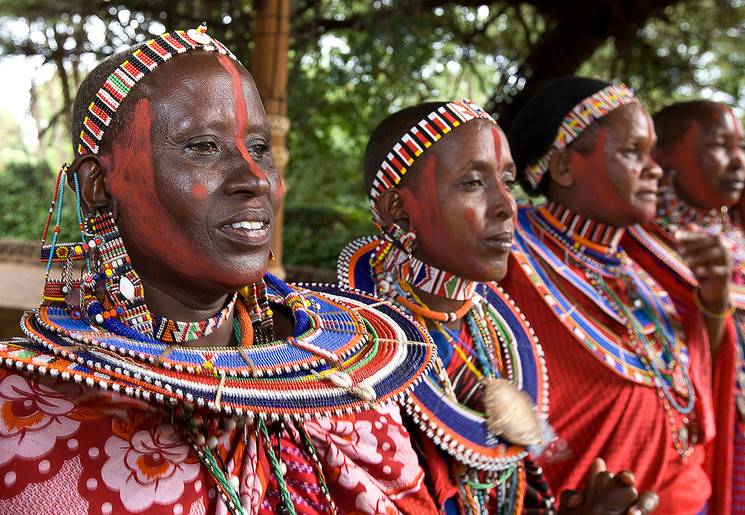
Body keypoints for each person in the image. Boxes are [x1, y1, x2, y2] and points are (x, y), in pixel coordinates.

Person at [0, 25, 439, 514]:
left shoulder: (351, 389)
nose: (255, 179)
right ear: (99, 184)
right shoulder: (23, 419)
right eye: (203, 147)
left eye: (258, 148)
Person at [337, 100, 659, 514]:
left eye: (507, 180)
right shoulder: (347, 361)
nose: (507, 205)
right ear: (399, 211)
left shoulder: (490, 333)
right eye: (473, 182)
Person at [502, 76, 734, 514]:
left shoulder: (646, 269)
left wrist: (713, 303)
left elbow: (694, 389)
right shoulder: (507, 264)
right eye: (632, 152)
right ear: (564, 167)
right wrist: (554, 452)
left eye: (650, 153)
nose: (655, 169)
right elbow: (488, 400)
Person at [631, 99, 745, 513]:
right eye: (719, 146)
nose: (737, 162)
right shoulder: (638, 244)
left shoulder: (737, 238)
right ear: (662, 157)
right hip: (695, 436)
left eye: (742, 147)